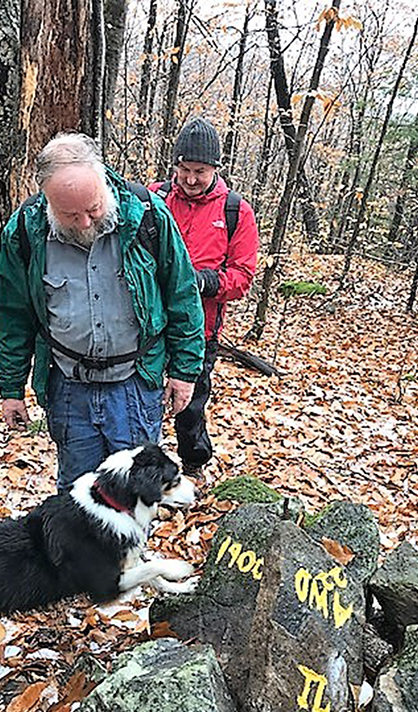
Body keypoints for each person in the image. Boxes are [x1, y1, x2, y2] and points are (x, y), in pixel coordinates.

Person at [0, 132, 205, 492]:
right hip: (68, 387)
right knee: (78, 495)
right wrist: (11, 388)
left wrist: (185, 372)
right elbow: (13, 316)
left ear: (104, 181)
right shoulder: (26, 231)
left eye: (93, 208)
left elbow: (182, 296)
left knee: (137, 494)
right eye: (70, 215)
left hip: (136, 383)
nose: (86, 223)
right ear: (47, 201)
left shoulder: (147, 215)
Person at [149, 118, 259, 478]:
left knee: (190, 402)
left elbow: (242, 278)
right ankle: (139, 465)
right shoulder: (155, 198)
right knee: (140, 396)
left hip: (201, 329)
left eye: (199, 171)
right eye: (184, 170)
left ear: (215, 168)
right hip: (148, 323)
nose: (191, 179)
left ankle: (194, 463)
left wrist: (203, 282)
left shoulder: (235, 211)